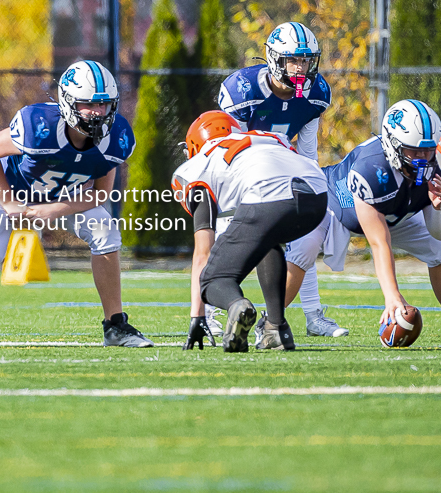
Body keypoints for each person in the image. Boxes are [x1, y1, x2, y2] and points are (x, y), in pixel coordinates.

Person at [0, 60, 153, 349]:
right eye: (89, 104)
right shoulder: (38, 127)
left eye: (104, 104)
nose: (98, 112)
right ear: (67, 102)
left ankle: (115, 326)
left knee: (106, 231)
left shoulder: (116, 138)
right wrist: (10, 203)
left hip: (60, 195)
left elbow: (100, 193)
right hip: (6, 184)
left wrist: (54, 210)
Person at [212, 21, 345, 338]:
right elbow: (230, 151)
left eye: (306, 61)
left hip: (284, 172)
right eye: (293, 60)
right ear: (274, 59)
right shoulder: (242, 90)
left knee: (309, 231)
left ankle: (314, 316)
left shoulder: (315, 94)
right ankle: (209, 315)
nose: (301, 68)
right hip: (238, 172)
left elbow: (308, 153)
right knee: (223, 237)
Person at [173, 111, 328, 352]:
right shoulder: (267, 138)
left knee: (212, 278)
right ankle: (276, 329)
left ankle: (238, 306)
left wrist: (198, 317)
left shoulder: (197, 165)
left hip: (269, 196)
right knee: (269, 239)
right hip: (317, 197)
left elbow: (203, 252)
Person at [283, 99, 441, 332]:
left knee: (438, 250)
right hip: (334, 203)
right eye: (414, 150)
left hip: (394, 214)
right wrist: (393, 297)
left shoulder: (435, 164)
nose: (422, 158)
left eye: (428, 150)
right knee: (304, 248)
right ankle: (270, 320)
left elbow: (436, 232)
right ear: (392, 144)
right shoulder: (371, 169)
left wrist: (438, 208)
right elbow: (379, 243)